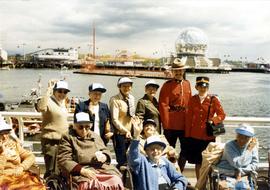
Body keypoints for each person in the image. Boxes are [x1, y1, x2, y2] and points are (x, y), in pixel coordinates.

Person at [57, 112, 124, 190]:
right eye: (80, 127)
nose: (84, 130)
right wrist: (82, 171)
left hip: (100, 168)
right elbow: (64, 159)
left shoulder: (95, 136)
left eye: (87, 127)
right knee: (92, 185)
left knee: (115, 180)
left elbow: (105, 150)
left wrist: (104, 156)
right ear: (74, 126)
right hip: (81, 170)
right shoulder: (68, 137)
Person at [128, 117, 188, 190]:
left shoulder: (164, 162)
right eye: (152, 149)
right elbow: (133, 157)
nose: (156, 151)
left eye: (158, 148)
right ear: (146, 151)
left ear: (162, 150)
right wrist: (136, 135)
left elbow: (180, 178)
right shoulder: (143, 162)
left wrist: (177, 188)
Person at [185, 76, 226, 179]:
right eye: (200, 86)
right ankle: (199, 183)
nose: (203, 89)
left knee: (207, 161)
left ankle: (207, 183)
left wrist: (214, 120)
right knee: (197, 162)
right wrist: (188, 135)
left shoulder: (213, 99)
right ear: (196, 87)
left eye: (205, 87)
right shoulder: (193, 100)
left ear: (208, 87)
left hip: (208, 136)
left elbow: (222, 115)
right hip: (195, 136)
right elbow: (189, 119)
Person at [159, 58, 191, 171]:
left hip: (184, 124)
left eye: (180, 70)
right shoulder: (167, 85)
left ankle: (179, 173)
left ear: (183, 71)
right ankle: (168, 174)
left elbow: (189, 104)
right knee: (168, 150)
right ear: (172, 72)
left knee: (186, 150)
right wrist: (166, 126)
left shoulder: (187, 84)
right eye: (176, 71)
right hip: (171, 124)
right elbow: (163, 106)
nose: (178, 73)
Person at [37, 80, 70, 178]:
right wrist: (48, 90)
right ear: (54, 91)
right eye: (60, 91)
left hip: (63, 141)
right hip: (51, 141)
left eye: (65, 92)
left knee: (61, 168)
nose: (62, 94)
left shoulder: (62, 103)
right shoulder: (49, 101)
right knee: (52, 170)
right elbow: (41, 107)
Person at [0, 118, 46, 190]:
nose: (5, 136)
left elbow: (30, 156)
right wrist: (2, 152)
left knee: (37, 187)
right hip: (4, 179)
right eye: (1, 134)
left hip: (19, 175)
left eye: (6, 133)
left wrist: (22, 167)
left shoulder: (13, 144)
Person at [216, 124, 258, 190]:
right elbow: (237, 164)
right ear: (236, 135)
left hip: (244, 174)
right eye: (240, 136)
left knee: (244, 187)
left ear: (251, 138)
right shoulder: (229, 146)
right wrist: (248, 151)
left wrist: (240, 171)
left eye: (246, 138)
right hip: (227, 173)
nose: (242, 140)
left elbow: (255, 164)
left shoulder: (252, 146)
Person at [109, 77, 135, 168]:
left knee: (130, 159)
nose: (126, 88)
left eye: (128, 86)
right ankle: (121, 180)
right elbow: (114, 119)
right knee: (121, 160)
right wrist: (125, 131)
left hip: (130, 133)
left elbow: (131, 115)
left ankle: (129, 180)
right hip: (120, 133)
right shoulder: (114, 100)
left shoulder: (131, 98)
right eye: (124, 86)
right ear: (119, 87)